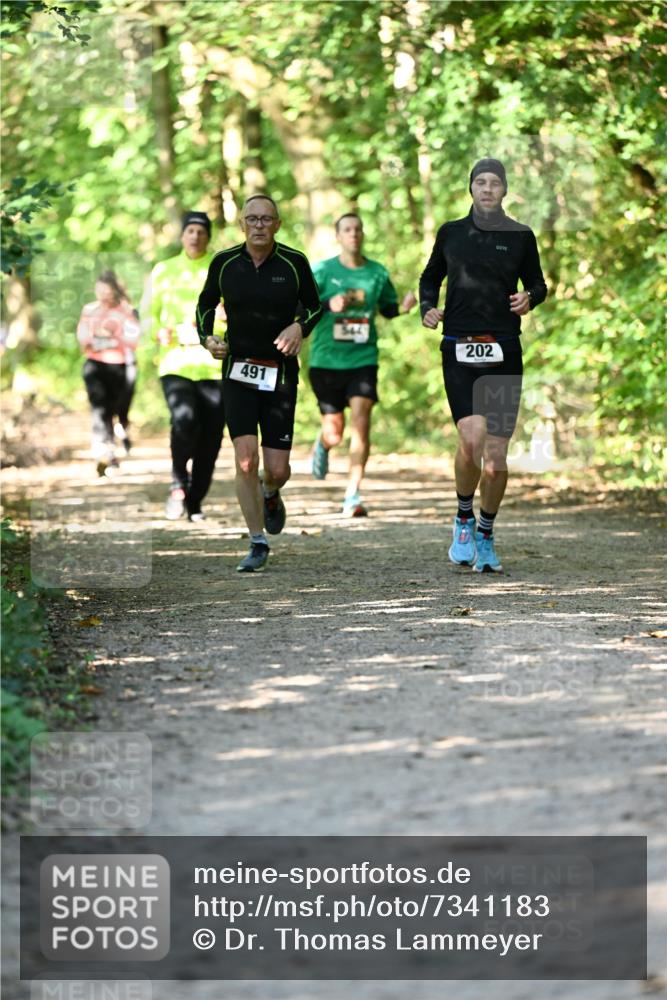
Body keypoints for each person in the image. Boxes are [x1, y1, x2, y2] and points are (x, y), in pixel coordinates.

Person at [419, 158, 548, 572]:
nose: (487, 188)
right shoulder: (451, 233)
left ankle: (486, 534)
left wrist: (530, 298)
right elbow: (429, 278)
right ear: (470, 188)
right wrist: (427, 307)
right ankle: (462, 516)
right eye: (480, 182)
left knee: (495, 459)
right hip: (459, 346)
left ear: (505, 190)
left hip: (503, 348)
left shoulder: (520, 236)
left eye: (495, 183)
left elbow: (538, 283)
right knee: (471, 440)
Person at [196, 194, 323, 572]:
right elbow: (204, 304)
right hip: (237, 371)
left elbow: (316, 305)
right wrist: (208, 338)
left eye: (266, 219)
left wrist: (300, 326)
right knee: (246, 460)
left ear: (278, 224)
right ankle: (257, 541)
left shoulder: (294, 262)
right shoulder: (224, 262)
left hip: (280, 374)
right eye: (252, 219)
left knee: (277, 470)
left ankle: (271, 493)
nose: (259, 225)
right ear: (242, 224)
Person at [308, 214, 416, 516]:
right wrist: (329, 304)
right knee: (335, 433)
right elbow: (301, 307)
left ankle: (353, 494)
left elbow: (388, 308)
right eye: (347, 229)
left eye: (357, 229)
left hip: (363, 359)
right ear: (338, 236)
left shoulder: (376, 273)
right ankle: (324, 444)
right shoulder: (322, 271)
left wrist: (404, 308)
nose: (353, 234)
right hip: (326, 360)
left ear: (363, 234)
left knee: (361, 421)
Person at [149, 211, 225, 521]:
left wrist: (226, 316)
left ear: (208, 237)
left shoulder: (220, 270)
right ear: (182, 236)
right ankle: (178, 484)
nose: (195, 236)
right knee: (184, 419)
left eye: (201, 231)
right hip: (175, 362)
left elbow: (238, 310)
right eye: (190, 230)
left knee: (211, 436)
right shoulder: (164, 270)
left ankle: (195, 501)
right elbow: (149, 315)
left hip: (214, 366)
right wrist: (158, 331)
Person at [77, 270, 140, 477]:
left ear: (115, 290)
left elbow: (131, 340)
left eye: (107, 290)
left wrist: (103, 339)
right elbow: (84, 339)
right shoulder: (89, 310)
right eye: (99, 290)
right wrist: (111, 338)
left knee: (114, 410)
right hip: (94, 366)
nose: (103, 294)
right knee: (99, 409)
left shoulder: (127, 311)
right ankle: (104, 454)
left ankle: (112, 445)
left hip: (120, 367)